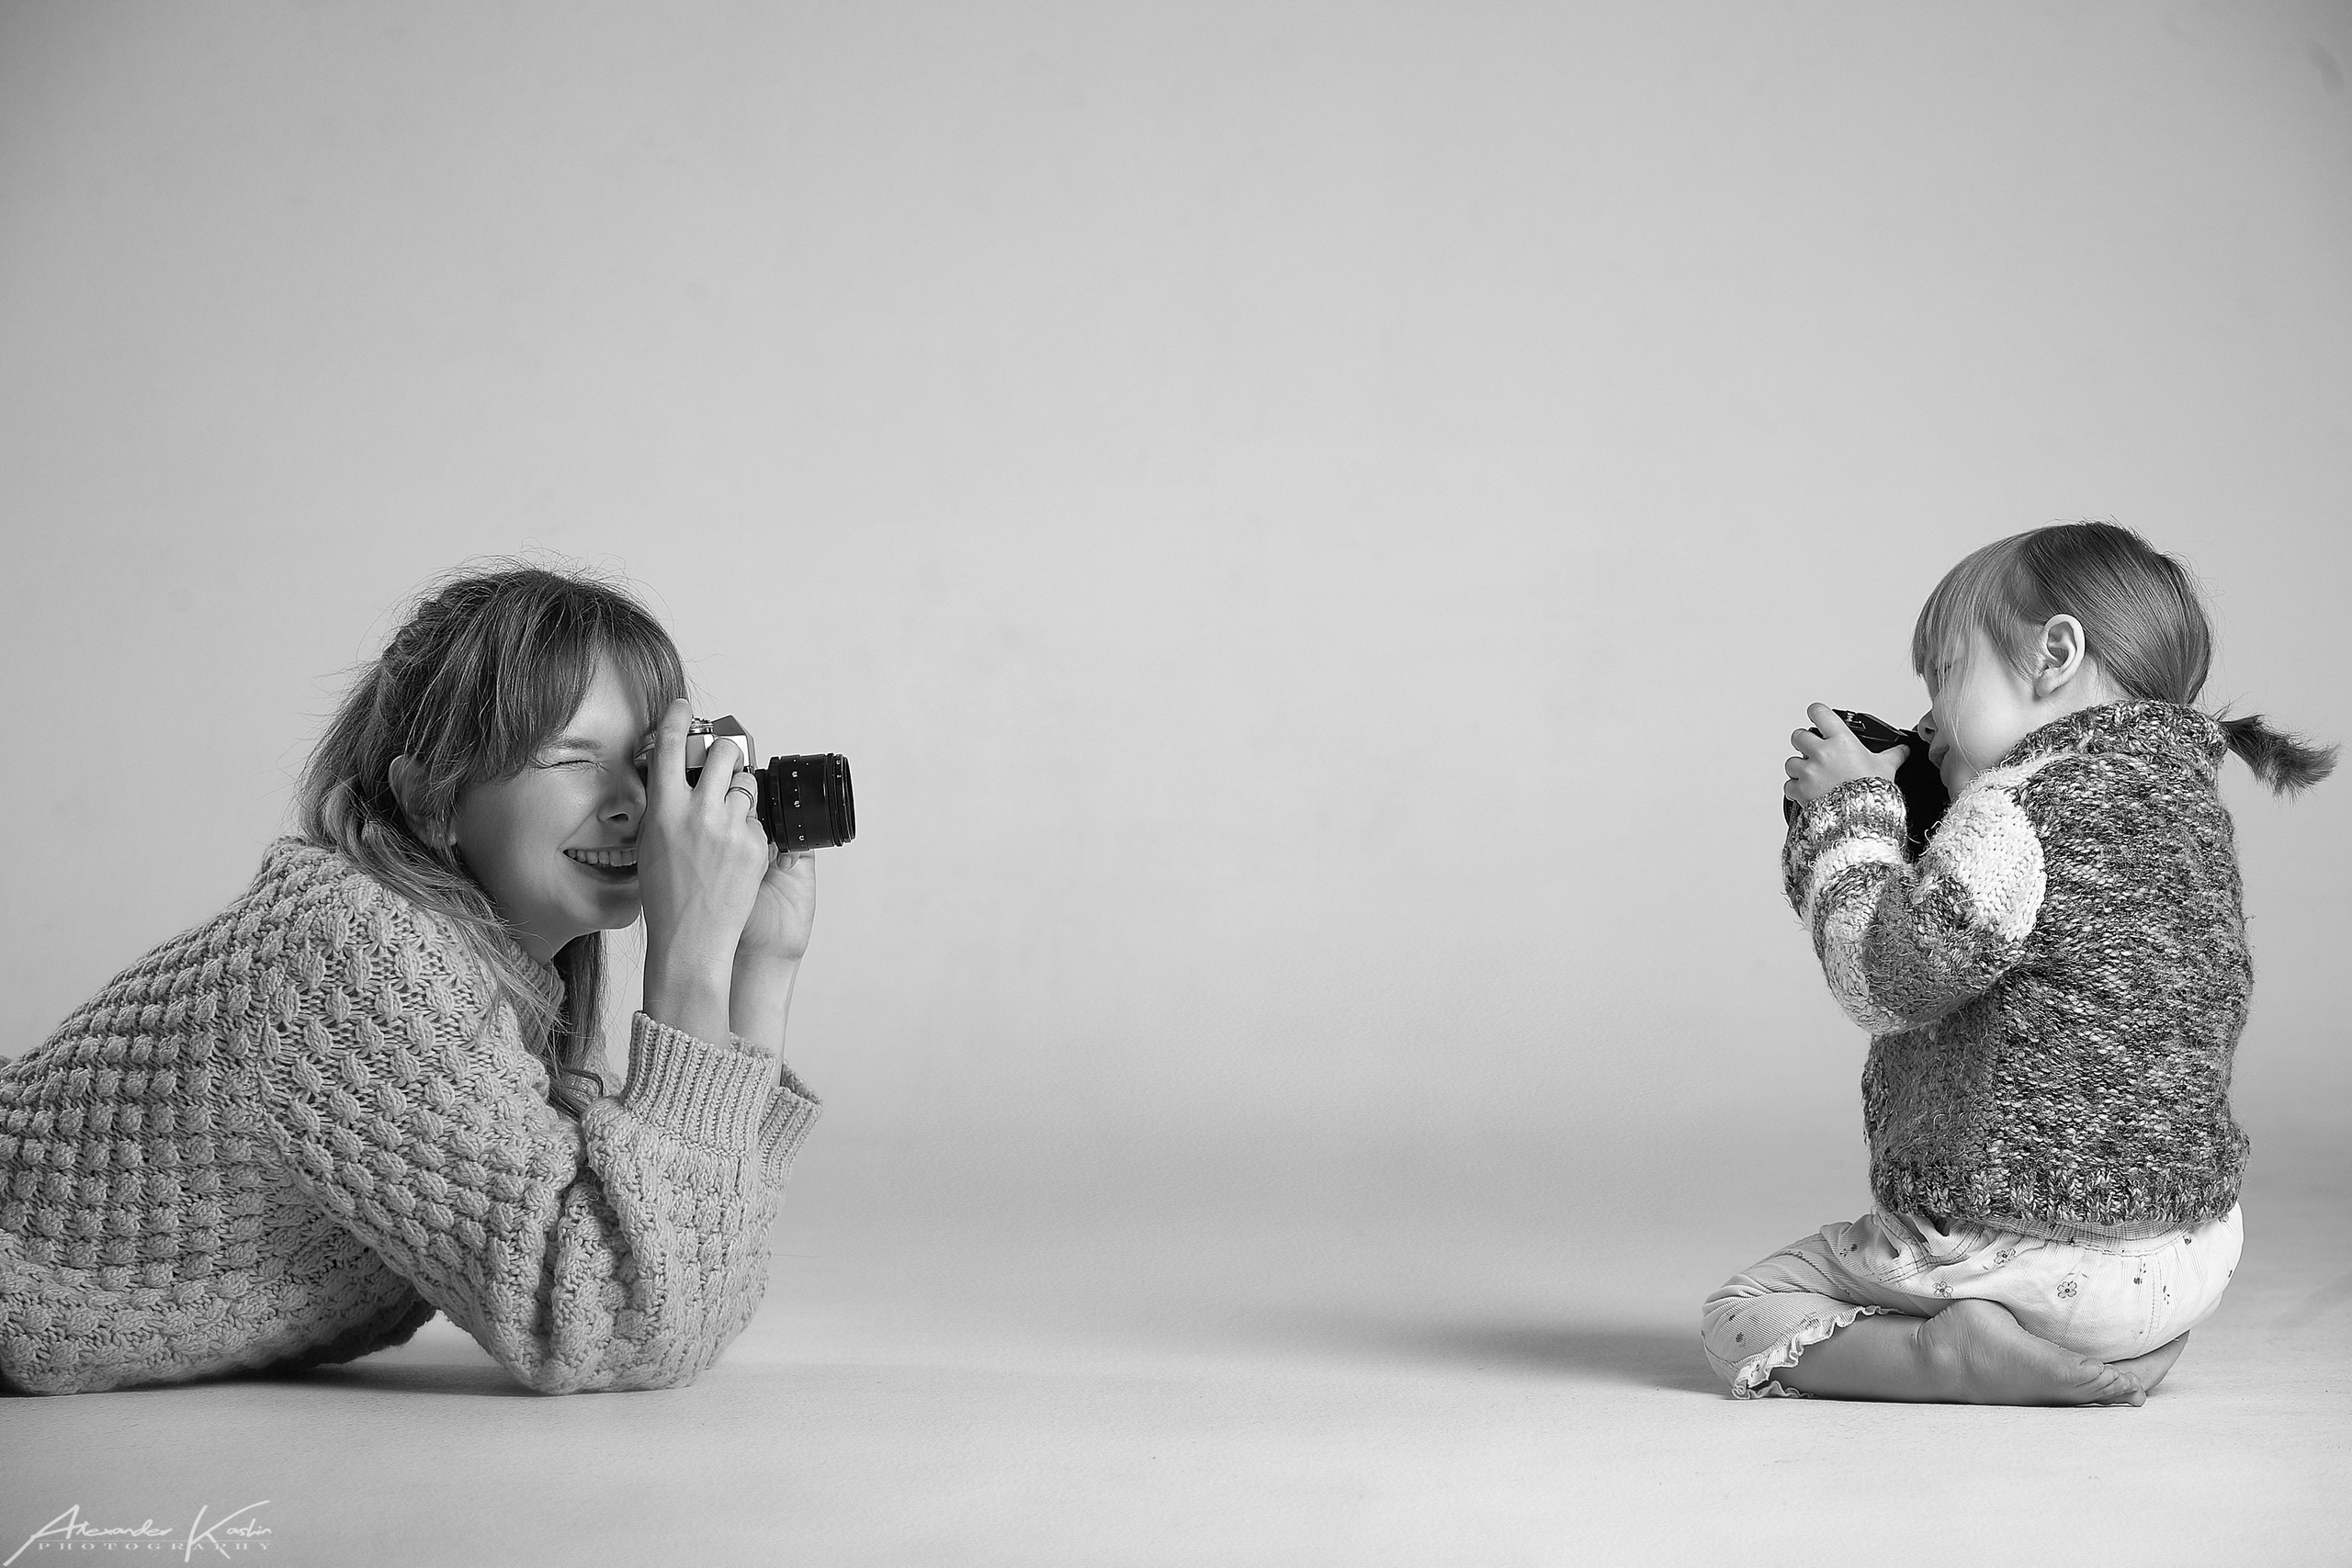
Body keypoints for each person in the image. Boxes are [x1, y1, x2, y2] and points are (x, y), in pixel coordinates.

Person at [0, 564, 823, 1394]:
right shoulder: (355, 953)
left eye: (652, 766)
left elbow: (690, 1272)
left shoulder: (514, 977)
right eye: (574, 759)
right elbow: (620, 1319)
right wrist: (688, 958)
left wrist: (759, 967)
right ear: (432, 799)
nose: (637, 807)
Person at [1703, 522, 2335, 1404]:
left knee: (1743, 1311)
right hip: (2194, 1250)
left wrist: (1848, 816)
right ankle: (2128, 1344)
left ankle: (1954, 1353)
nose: (1926, 725)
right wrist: (1925, 808)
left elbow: (1884, 977)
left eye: (1945, 676)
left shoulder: (2015, 813)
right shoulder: (2182, 802)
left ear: (2054, 654)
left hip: (2043, 1256)